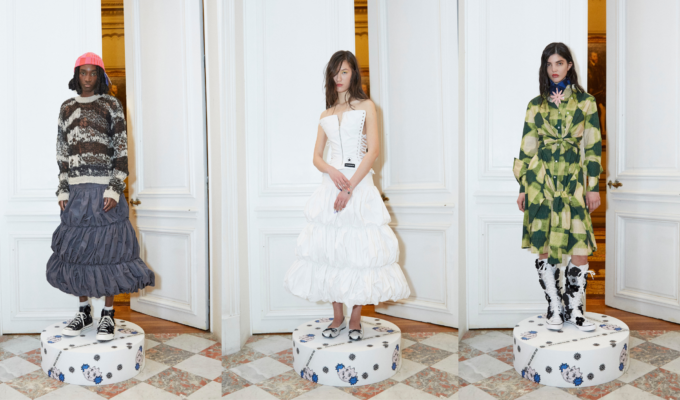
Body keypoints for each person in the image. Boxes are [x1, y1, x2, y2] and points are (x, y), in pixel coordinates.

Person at [283, 51, 410, 340]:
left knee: (359, 252)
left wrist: (349, 187)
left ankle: (355, 319)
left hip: (359, 184)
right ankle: (337, 316)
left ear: (354, 74)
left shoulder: (367, 106)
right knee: (330, 250)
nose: (338, 78)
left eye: (344, 72)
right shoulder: (326, 114)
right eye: (334, 72)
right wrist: (331, 172)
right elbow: (316, 157)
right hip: (332, 184)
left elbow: (373, 151)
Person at [46, 52, 155, 341]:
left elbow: (121, 149)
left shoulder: (111, 105)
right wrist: (63, 188)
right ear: (76, 75)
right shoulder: (67, 107)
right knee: (78, 253)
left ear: (100, 76)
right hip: (77, 193)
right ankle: (84, 312)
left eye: (93, 73)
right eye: (83, 72)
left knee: (110, 253)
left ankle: (108, 315)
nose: (88, 78)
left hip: (105, 192)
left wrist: (115, 188)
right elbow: (62, 152)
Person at [513, 43, 602, 332]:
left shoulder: (586, 102)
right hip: (541, 183)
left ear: (569, 65)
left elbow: (593, 147)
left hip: (573, 182)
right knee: (544, 245)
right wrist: (523, 187)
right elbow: (527, 148)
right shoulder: (535, 105)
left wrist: (593, 187)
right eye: (549, 64)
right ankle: (554, 306)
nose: (554, 69)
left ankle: (575, 309)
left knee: (579, 246)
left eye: (560, 63)